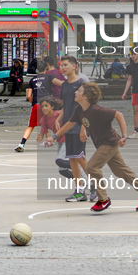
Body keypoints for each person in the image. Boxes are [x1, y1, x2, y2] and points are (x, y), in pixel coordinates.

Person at [46, 83, 138, 213]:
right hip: (104, 144)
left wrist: (124, 135)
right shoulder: (79, 110)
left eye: (79, 91)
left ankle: (103, 199)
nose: (76, 92)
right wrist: (54, 136)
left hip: (109, 142)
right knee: (121, 171)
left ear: (85, 96)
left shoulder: (97, 110)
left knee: (91, 167)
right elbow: (69, 124)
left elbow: (119, 115)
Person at [56, 55, 95, 202]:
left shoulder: (82, 83)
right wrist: (59, 119)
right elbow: (66, 105)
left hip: (79, 125)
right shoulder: (65, 85)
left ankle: (94, 186)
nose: (63, 67)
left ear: (74, 66)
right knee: (72, 158)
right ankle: (79, 191)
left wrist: (84, 128)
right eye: (62, 65)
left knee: (80, 157)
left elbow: (86, 107)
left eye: (66, 65)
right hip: (68, 126)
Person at [15, 60, 62, 153]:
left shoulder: (32, 80)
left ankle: (21, 144)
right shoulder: (49, 77)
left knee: (31, 126)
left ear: (36, 69)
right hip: (48, 104)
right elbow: (60, 83)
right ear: (46, 67)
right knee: (51, 122)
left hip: (37, 104)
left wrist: (34, 103)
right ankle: (56, 141)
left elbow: (28, 96)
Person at [37, 96, 72, 179]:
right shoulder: (44, 119)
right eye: (42, 106)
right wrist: (42, 137)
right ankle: (82, 182)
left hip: (68, 140)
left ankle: (81, 169)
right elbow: (43, 130)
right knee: (63, 170)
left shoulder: (59, 114)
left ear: (52, 106)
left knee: (60, 161)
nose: (44, 108)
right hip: (60, 141)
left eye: (46, 106)